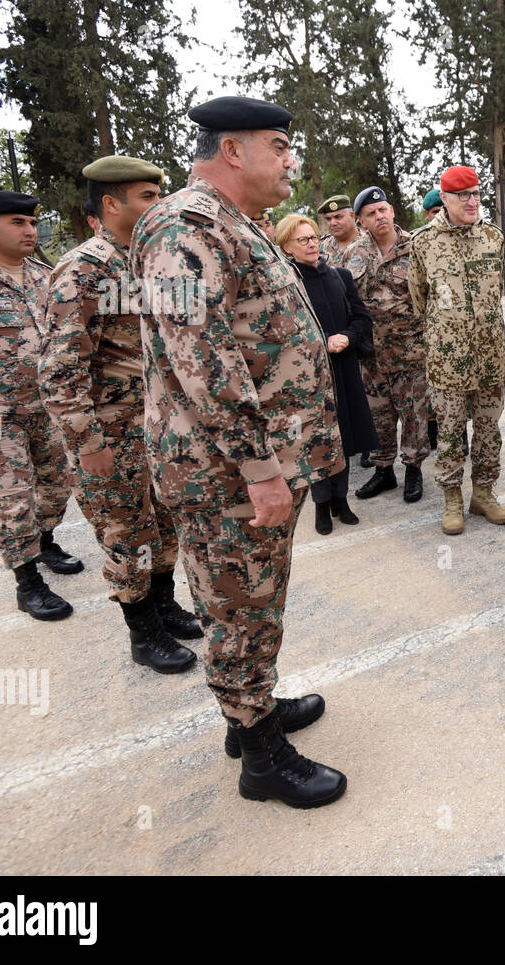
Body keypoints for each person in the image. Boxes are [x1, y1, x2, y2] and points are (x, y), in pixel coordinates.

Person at [131, 95, 346, 808]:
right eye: (279, 147)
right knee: (236, 607)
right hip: (229, 475)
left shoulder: (234, 224)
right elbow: (204, 359)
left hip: (257, 467)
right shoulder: (182, 227)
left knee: (255, 603)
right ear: (233, 151)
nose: (291, 161)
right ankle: (260, 756)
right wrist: (260, 469)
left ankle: (251, 707)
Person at [40, 155, 203, 675]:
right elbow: (59, 371)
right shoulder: (85, 269)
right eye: (148, 197)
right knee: (126, 532)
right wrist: (88, 443)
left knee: (165, 525)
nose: (161, 205)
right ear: (110, 205)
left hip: (158, 429)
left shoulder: (152, 259)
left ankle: (164, 604)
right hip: (110, 434)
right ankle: (143, 633)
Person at [0, 190, 83, 622]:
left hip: (46, 407)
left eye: (31, 223)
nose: (30, 231)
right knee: (12, 497)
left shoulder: (45, 276)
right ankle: (28, 583)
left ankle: (42, 542)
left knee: (59, 486)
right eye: (18, 223)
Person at [408, 165, 505, 535]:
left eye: (477, 193)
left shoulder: (494, 238)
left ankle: (483, 494)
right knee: (451, 432)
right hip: (447, 360)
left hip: (489, 357)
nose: (473, 201)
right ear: (446, 199)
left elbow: (497, 292)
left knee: (488, 431)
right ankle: (452, 500)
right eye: (464, 195)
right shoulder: (422, 243)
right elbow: (419, 299)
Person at [277, 213, 379, 533]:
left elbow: (362, 320)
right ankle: (321, 504)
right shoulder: (284, 285)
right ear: (286, 247)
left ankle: (341, 500)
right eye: (303, 240)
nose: (312, 244)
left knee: (344, 436)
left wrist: (347, 336)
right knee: (317, 441)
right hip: (307, 377)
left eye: (314, 238)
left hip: (343, 368)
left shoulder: (341, 276)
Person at [346, 186, 429, 504]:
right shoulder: (353, 253)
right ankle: (384, 470)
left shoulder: (417, 248)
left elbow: (432, 298)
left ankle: (413, 470)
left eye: (383, 210)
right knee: (378, 416)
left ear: (392, 211)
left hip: (409, 351)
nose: (379, 216)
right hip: (371, 356)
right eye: (371, 213)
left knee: (413, 415)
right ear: (361, 221)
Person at [316, 194, 358, 266]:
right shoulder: (319, 246)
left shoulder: (370, 243)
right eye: (328, 219)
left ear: (352, 216)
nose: (333, 223)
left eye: (338, 217)